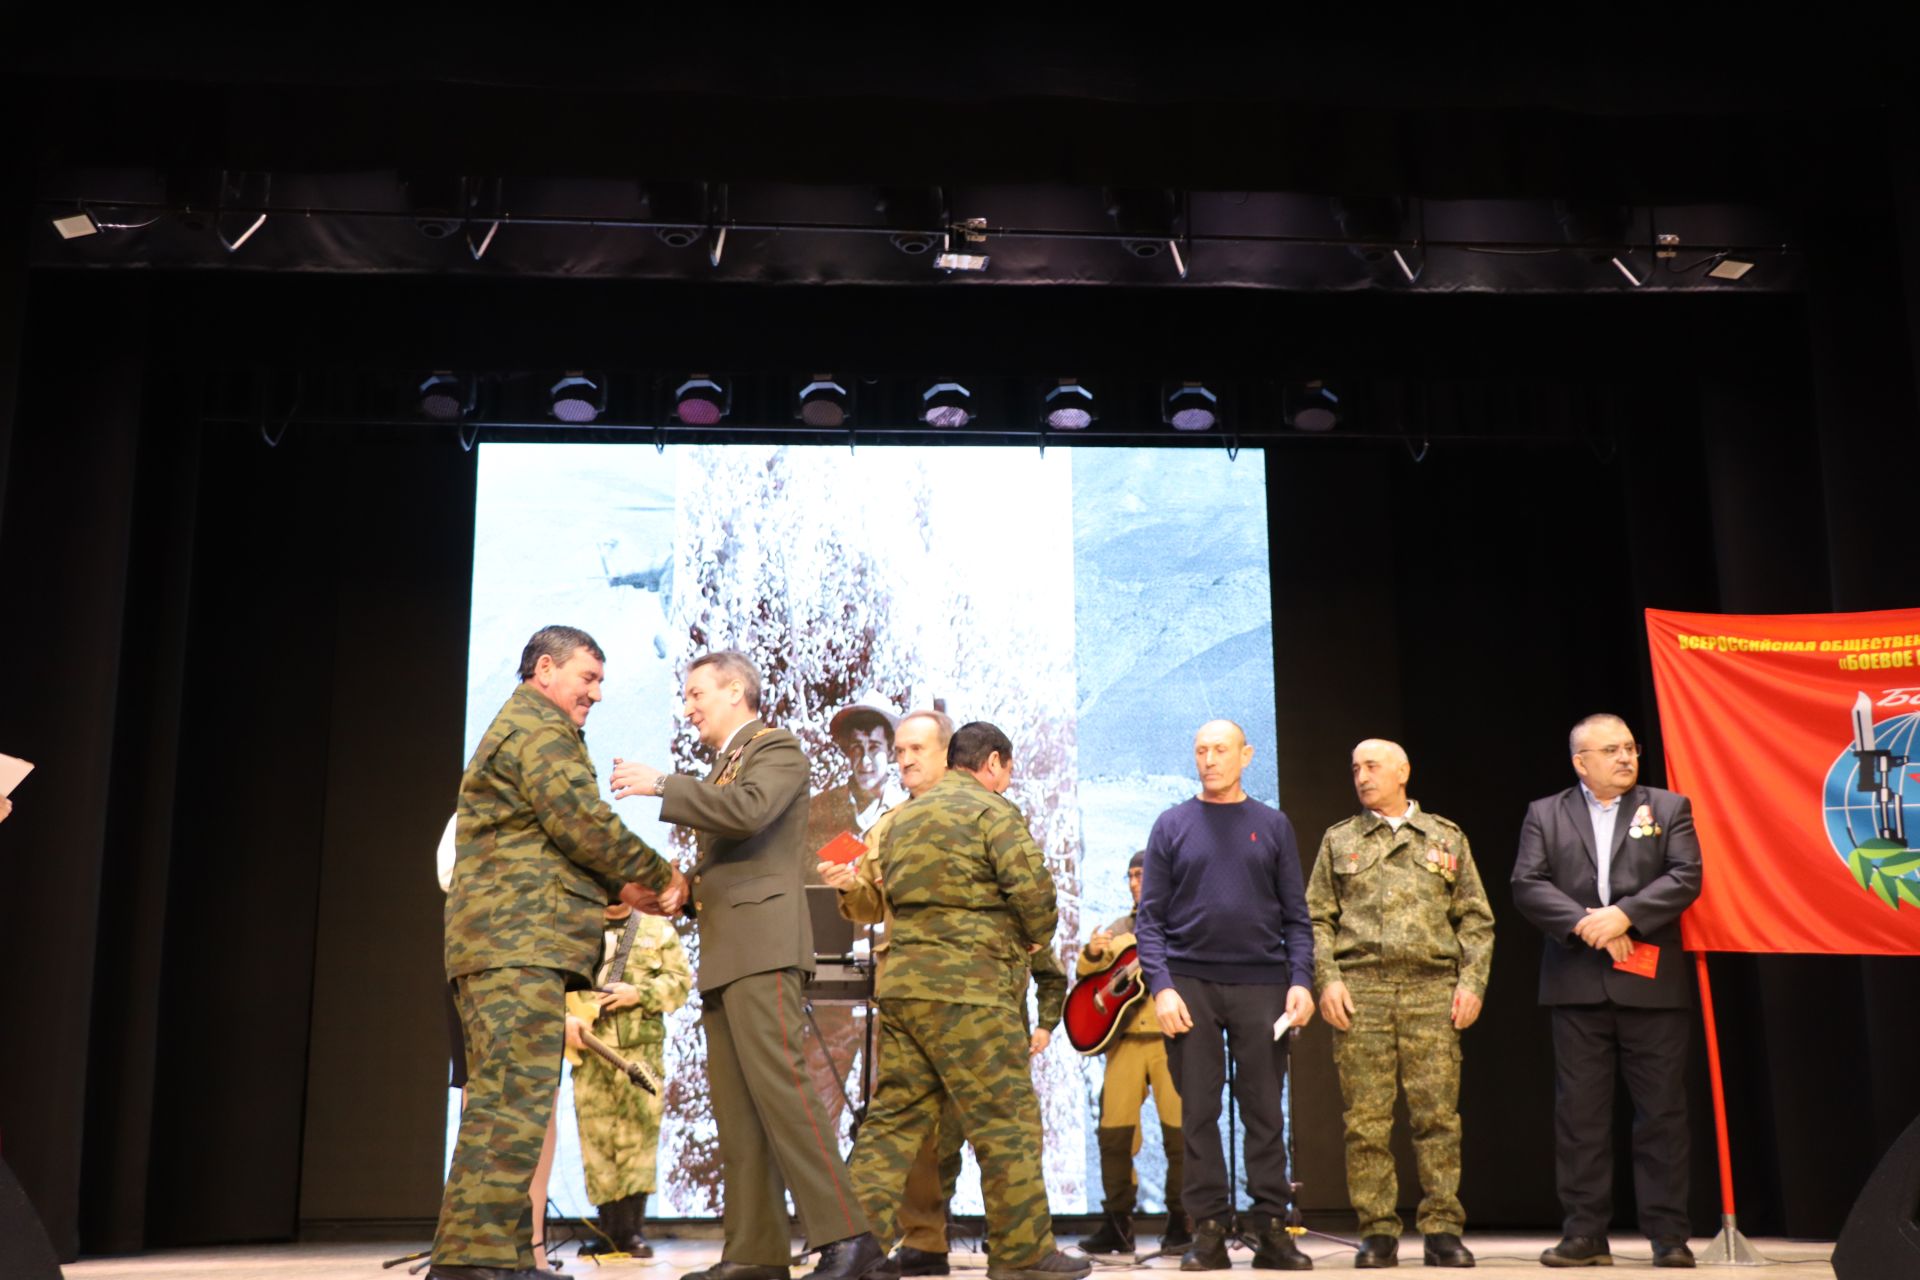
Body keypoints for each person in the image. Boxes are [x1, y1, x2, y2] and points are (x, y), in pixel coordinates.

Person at [611, 651, 886, 1280]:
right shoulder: (725, 763)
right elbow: (735, 851)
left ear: (736, 690)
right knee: (737, 1111)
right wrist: (684, 889)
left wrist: (662, 784)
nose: (688, 707)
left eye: (696, 693)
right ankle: (756, 1251)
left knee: (787, 1093)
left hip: (763, 950)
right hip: (729, 950)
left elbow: (750, 811)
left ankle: (851, 1238)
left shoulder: (777, 747)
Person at [432, 625, 687, 1280]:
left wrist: (613, 884)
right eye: (588, 678)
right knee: (511, 1107)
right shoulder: (539, 728)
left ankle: (490, 1257)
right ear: (545, 670)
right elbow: (580, 821)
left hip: (510, 941)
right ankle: (478, 1262)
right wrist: (659, 877)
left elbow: (554, 838)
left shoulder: (529, 727)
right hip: (514, 943)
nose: (596, 694)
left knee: (502, 1105)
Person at [836, 720, 1088, 1280]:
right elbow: (1037, 900)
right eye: (1007, 770)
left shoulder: (899, 821)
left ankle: (849, 1248)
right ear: (994, 763)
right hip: (972, 994)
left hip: (903, 991)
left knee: (891, 1124)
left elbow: (876, 901)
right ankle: (1023, 1256)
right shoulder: (991, 811)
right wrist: (1031, 934)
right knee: (1006, 1123)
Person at [1511, 714, 1703, 1270]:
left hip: (1652, 985)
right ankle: (1585, 1234)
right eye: (1611, 750)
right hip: (1576, 983)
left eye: (1630, 748)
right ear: (1580, 762)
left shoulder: (1668, 808)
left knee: (1663, 1114)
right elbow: (1527, 883)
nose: (1625, 758)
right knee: (1580, 1116)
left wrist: (1624, 917)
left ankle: (1669, 1236)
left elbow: (1685, 875)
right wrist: (1588, 926)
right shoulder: (1545, 813)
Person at [1305, 739, 1493, 1270]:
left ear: (1403, 771)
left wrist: (1472, 983)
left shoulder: (1445, 836)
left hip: (1431, 990)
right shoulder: (1340, 840)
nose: (1361, 776)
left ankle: (1442, 1229)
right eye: (1355, 768)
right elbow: (1316, 919)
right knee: (1365, 1121)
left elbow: (1476, 919)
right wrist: (1328, 980)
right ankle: (1377, 1231)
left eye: (1372, 766)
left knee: (1437, 1118)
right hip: (1361, 990)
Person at [1136, 719, 1315, 1272]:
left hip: (1262, 984)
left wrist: (1301, 981)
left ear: (1246, 755)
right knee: (1199, 1114)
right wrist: (1161, 988)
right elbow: (1151, 922)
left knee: (1264, 1112)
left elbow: (1297, 918)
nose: (1209, 759)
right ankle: (1208, 1230)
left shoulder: (1273, 825)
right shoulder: (1172, 825)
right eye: (1201, 751)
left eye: (1220, 750)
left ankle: (1271, 1227)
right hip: (1190, 987)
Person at [804, 696, 911, 1142]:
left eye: (874, 748)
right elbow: (807, 881)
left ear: (890, 751)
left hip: (893, 972)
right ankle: (824, 1206)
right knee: (816, 1100)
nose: (865, 759)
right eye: (856, 749)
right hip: (833, 973)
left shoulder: (911, 813)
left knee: (889, 1104)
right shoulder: (819, 811)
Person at [1075, 851, 1188, 1257]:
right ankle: (1117, 1224)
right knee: (1114, 1135)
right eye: (1131, 875)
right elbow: (1087, 980)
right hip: (1123, 1043)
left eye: (1143, 875)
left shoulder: (1184, 923)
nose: (1135, 882)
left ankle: (1181, 1221)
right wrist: (1091, 954)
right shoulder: (1119, 930)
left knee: (1180, 1135)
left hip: (1171, 1039)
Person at [566, 900, 692, 1259]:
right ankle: (609, 1233)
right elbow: (553, 981)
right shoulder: (575, 928)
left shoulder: (657, 929)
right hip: (590, 1049)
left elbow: (680, 984)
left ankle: (632, 1232)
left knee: (638, 1137)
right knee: (597, 1140)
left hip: (640, 1052)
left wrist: (640, 993)